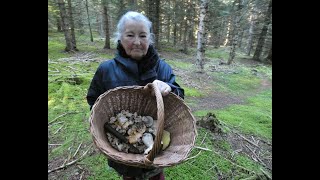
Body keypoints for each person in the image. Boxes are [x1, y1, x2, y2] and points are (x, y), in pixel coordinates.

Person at [86, 11, 184, 180]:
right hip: (124, 157)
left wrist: (169, 87)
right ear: (120, 38)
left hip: (155, 155)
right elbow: (93, 99)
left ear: (150, 39)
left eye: (143, 35)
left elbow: (179, 97)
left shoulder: (162, 69)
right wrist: (101, 119)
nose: (137, 42)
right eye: (130, 35)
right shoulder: (106, 70)